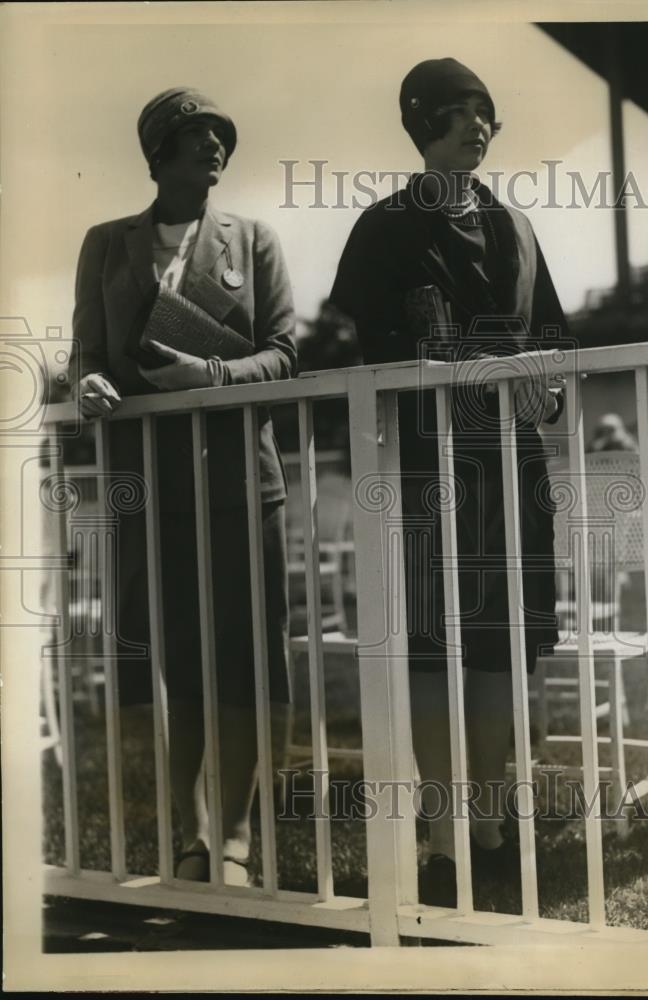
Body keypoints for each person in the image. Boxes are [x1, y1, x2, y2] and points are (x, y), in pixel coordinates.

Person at [330, 58, 567, 908]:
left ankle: (491, 827)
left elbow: (554, 342)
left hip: (510, 467)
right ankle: (439, 836)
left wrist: (546, 387)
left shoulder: (517, 229)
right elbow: (358, 349)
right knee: (431, 647)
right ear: (421, 124)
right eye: (459, 112)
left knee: (500, 643)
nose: (477, 126)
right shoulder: (384, 228)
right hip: (426, 470)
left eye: (485, 113)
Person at [70, 87, 297, 885]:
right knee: (172, 663)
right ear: (158, 152)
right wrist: (88, 381)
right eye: (197, 134)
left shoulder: (254, 239)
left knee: (241, 659)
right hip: (146, 480)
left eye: (220, 136)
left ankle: (232, 841)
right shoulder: (107, 243)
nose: (214, 147)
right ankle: (189, 838)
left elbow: (283, 354)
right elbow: (87, 348)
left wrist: (213, 374)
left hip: (238, 479)